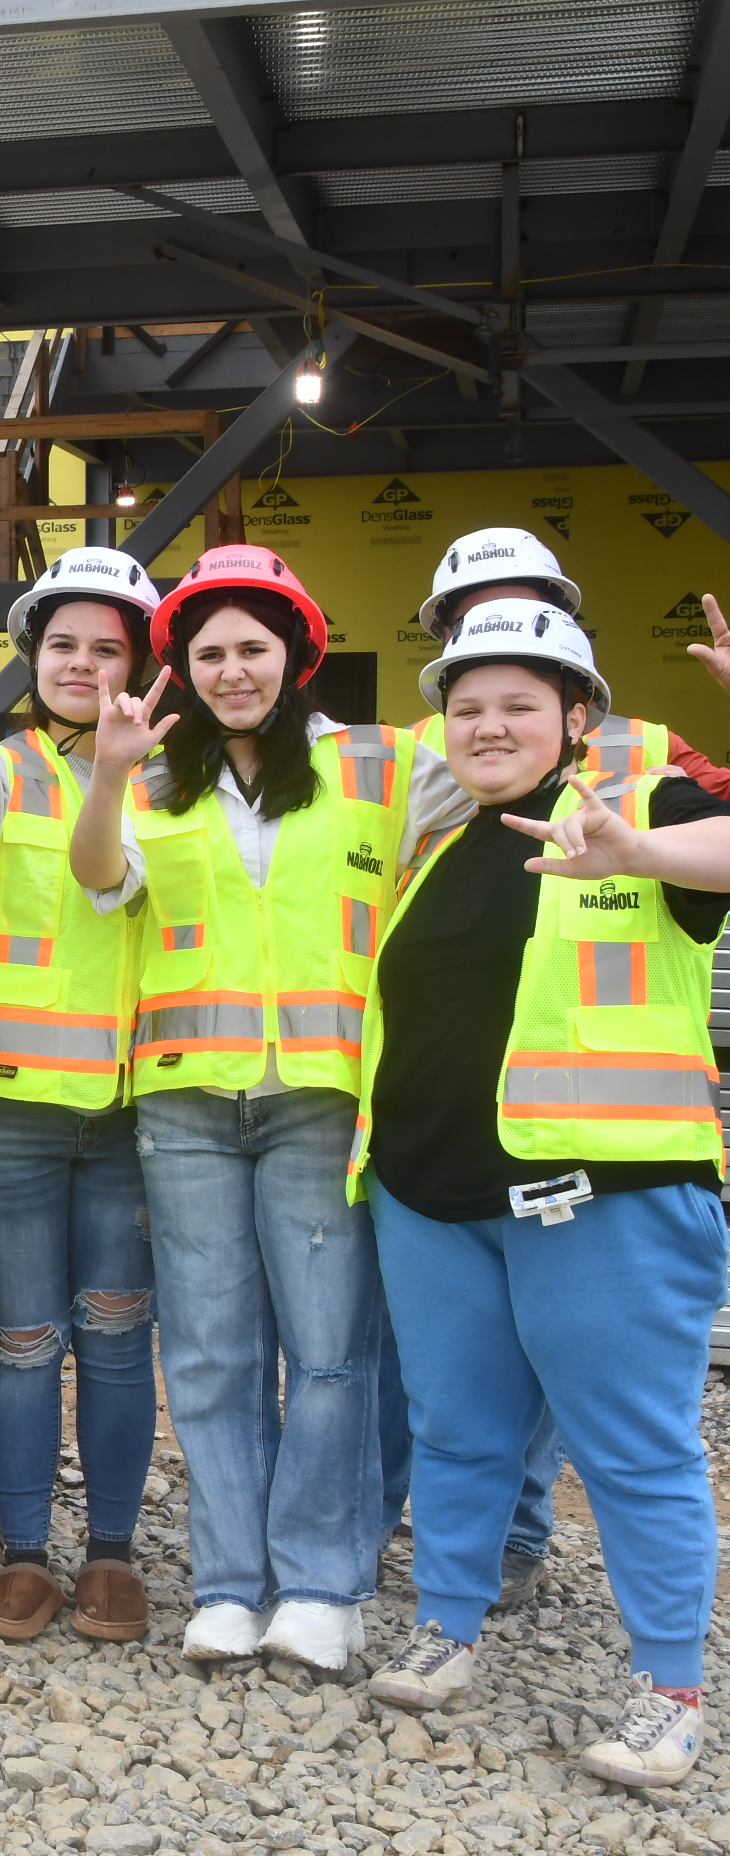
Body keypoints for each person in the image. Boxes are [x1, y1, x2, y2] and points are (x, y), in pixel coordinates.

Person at [353, 601, 730, 1786]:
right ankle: (450, 1624)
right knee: (457, 1430)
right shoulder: (441, 844)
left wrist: (653, 853)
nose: (488, 724)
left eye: (520, 703)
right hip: (430, 1193)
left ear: (578, 716)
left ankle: (670, 1686)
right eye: (466, 707)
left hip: (601, 1196)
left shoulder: (640, 810)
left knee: (635, 1449)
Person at [73, 542, 467, 1670]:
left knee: (333, 1350)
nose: (233, 669)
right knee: (207, 1352)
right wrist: (105, 774)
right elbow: (103, 880)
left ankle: (323, 1585)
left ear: (297, 654)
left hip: (323, 1098)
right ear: (183, 667)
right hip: (187, 1097)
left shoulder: (390, 765)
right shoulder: (152, 775)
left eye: (254, 647)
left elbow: (510, 779)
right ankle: (231, 1585)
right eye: (210, 652)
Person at [0, 546, 162, 1643]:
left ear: (143, 664)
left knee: (114, 1333)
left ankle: (109, 1553)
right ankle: (22, 1553)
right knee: (19, 1339)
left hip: (138, 1102)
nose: (84, 666)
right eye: (63, 645)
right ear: (33, 656)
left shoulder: (174, 772)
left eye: (109, 649)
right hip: (8, 1101)